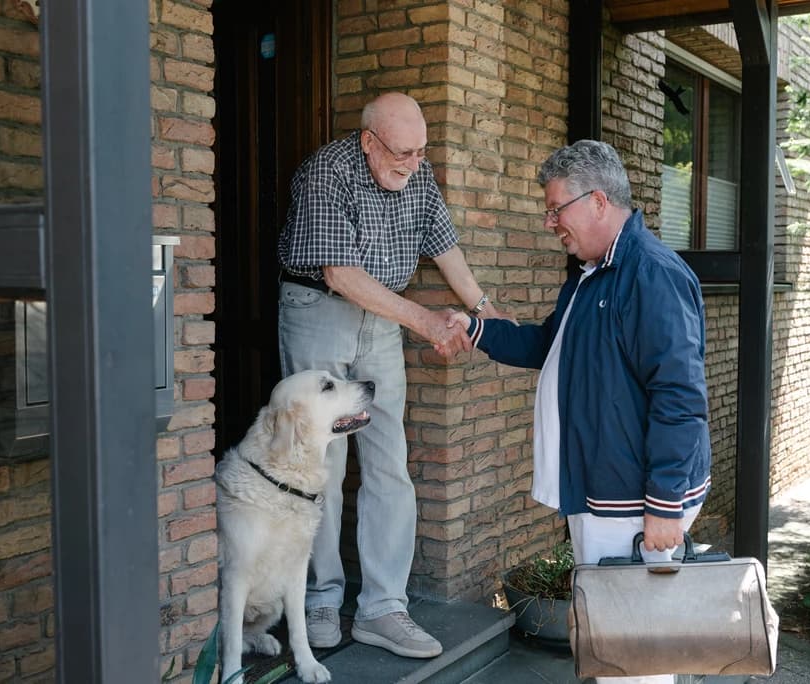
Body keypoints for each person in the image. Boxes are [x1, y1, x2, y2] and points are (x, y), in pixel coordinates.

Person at [450, 139, 711, 684]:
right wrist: (477, 330)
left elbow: (680, 398)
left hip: (634, 500)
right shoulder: (592, 274)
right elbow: (552, 345)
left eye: (555, 208)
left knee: (634, 656)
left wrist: (664, 503)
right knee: (608, 644)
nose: (550, 223)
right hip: (603, 490)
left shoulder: (651, 275)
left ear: (596, 202)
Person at [277, 92, 506, 659]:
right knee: (320, 462)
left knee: (387, 461)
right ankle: (321, 598)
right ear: (369, 141)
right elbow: (340, 273)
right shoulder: (326, 173)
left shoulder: (417, 171)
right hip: (319, 310)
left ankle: (382, 608)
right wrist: (427, 321)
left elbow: (444, 247)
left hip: (381, 319)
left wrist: (486, 311)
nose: (413, 162)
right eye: (402, 151)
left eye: (421, 151)